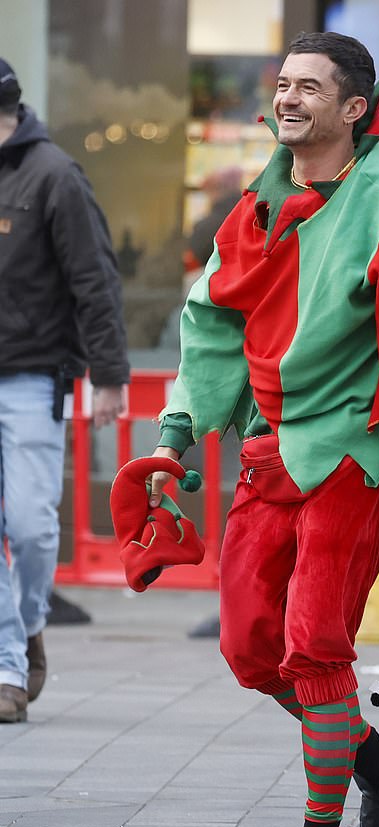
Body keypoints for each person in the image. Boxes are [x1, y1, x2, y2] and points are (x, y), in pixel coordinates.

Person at [150, 32, 379, 827]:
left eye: (308, 88)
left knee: (315, 648)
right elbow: (210, 322)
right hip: (268, 450)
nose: (286, 98)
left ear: (355, 109)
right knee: (252, 649)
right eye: (281, 84)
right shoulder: (257, 202)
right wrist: (172, 440)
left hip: (353, 458)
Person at [0, 59, 130, 723]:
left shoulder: (53, 176)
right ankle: (5, 669)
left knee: (28, 524)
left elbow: (95, 281)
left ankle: (26, 626)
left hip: (30, 376)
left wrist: (108, 375)